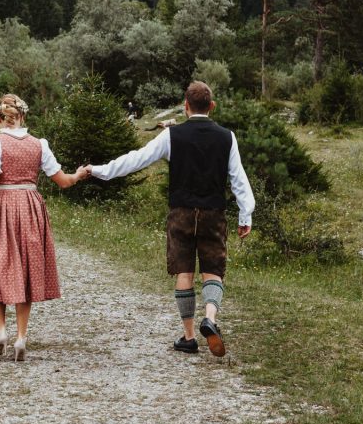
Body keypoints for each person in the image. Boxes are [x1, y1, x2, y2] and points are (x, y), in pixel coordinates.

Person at [84, 81, 253, 357]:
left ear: (185, 106)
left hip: (181, 213)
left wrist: (99, 170)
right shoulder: (227, 137)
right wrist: (246, 214)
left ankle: (189, 337)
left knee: (184, 272)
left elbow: (137, 159)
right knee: (213, 271)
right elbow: (239, 179)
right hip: (213, 213)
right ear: (212, 106)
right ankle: (210, 318)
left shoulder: (171, 136)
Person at [0, 93, 89, 361]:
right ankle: (21, 338)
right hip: (31, 207)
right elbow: (63, 181)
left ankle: (0, 332)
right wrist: (78, 175)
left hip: (4, 206)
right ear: (23, 116)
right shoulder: (39, 144)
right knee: (26, 269)